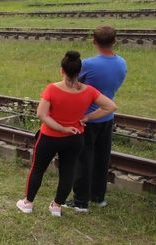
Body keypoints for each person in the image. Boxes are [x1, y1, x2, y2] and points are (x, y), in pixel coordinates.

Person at [17, 51, 117, 217]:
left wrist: (61, 128)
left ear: (61, 70)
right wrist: (88, 117)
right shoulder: (89, 91)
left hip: (49, 137)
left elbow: (41, 114)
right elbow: (111, 107)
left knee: (37, 169)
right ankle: (56, 206)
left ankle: (28, 203)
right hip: (75, 138)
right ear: (79, 72)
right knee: (68, 172)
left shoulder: (52, 89)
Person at [70, 26, 128, 211]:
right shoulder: (122, 63)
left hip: (86, 120)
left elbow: (71, 84)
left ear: (93, 41)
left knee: (83, 161)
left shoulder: (88, 64)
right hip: (107, 117)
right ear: (115, 41)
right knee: (102, 159)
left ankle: (80, 202)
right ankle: (98, 197)